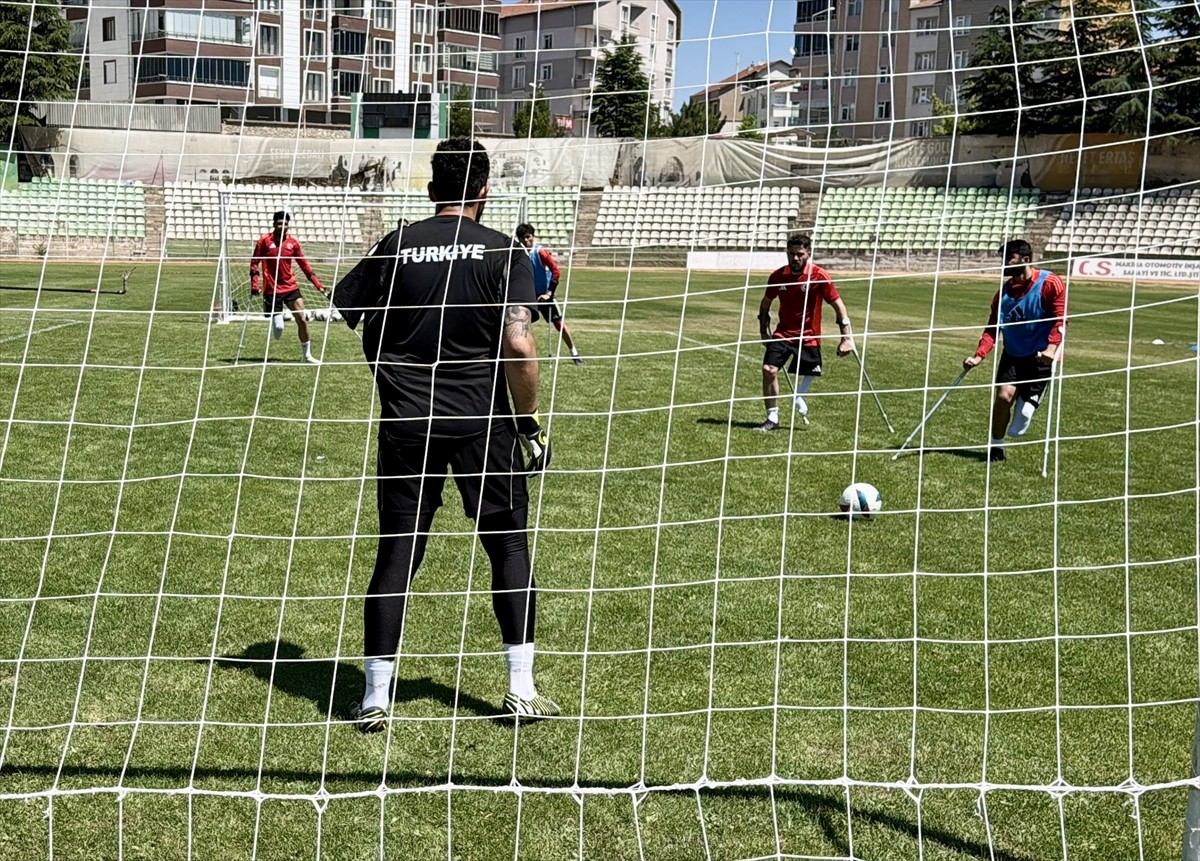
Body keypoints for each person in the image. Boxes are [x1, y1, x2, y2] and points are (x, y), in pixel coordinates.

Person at [335, 137, 559, 733]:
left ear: (433, 189)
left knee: (398, 550)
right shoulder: (504, 251)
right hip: (481, 423)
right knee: (507, 547)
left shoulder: (397, 243)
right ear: (485, 191)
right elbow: (519, 344)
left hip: (408, 421)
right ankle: (521, 689)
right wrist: (529, 422)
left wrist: (392, 373)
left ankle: (375, 697)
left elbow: (348, 308)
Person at [964, 239, 1067, 462]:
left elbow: (1061, 320)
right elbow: (992, 328)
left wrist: (1051, 349)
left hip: (1041, 356)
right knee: (1003, 397)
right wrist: (979, 355)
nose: (1003, 263)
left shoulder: (1051, 283)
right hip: (1012, 354)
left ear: (1025, 260)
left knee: (1024, 414)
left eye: (1008, 259)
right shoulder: (1002, 295)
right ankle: (996, 447)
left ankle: (1030, 400)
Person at [755, 233, 854, 431]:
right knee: (768, 369)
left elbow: (839, 307)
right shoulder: (777, 276)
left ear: (808, 253)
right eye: (791, 254)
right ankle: (772, 418)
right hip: (783, 334)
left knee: (811, 372)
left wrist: (846, 338)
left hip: (809, 336)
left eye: (800, 254)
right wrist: (764, 332)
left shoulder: (819, 276)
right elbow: (765, 305)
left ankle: (799, 395)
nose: (795, 258)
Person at [249, 210, 326, 364]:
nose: (282, 227)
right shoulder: (264, 241)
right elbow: (254, 262)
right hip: (272, 289)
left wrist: (317, 284)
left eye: (285, 224)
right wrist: (254, 285)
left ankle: (307, 356)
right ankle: (275, 320)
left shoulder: (293, 243)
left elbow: (304, 264)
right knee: (279, 329)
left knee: (302, 319)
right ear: (274, 224)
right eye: (279, 224)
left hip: (290, 287)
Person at [514, 223, 584, 366]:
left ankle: (574, 353)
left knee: (559, 324)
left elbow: (556, 271)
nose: (526, 241)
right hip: (528, 295)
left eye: (528, 237)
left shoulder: (540, 252)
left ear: (532, 236)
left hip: (544, 296)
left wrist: (549, 293)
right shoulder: (519, 253)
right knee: (520, 324)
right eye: (522, 238)